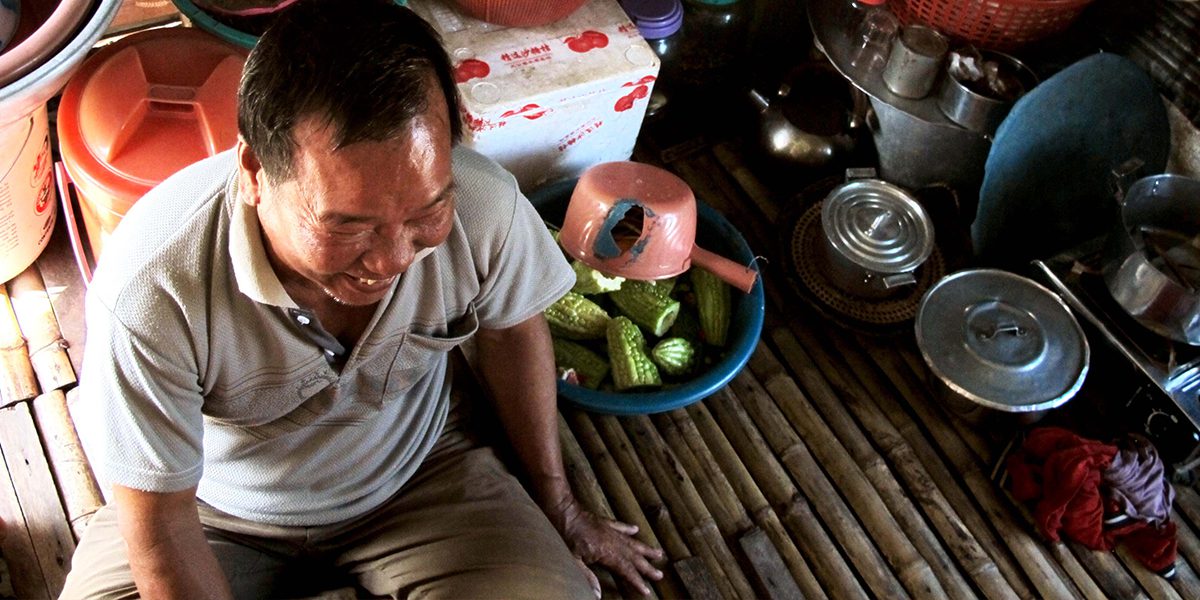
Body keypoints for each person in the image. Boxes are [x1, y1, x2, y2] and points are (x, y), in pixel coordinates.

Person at [61, 0, 663, 597]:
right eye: (349, 227)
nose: (395, 260)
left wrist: (559, 505)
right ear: (253, 171)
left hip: (422, 473)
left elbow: (510, 334)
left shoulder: (484, 208)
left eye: (428, 211)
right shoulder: (153, 286)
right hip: (212, 509)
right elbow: (161, 520)